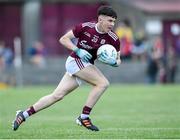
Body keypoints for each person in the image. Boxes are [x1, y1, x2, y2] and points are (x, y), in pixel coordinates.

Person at [12, 6, 121, 132]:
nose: (112, 24)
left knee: (57, 95)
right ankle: (84, 117)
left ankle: (23, 114)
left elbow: (118, 60)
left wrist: (114, 62)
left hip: (86, 65)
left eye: (114, 21)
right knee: (102, 83)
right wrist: (77, 50)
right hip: (75, 61)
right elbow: (63, 39)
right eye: (109, 21)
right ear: (100, 19)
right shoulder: (85, 27)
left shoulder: (113, 39)